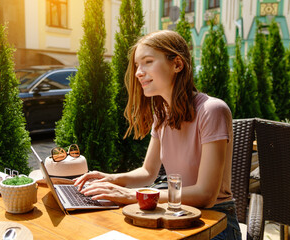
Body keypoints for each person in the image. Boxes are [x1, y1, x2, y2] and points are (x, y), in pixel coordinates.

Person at [74, 30, 241, 239]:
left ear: (177, 65)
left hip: (215, 222)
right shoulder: (162, 115)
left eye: (148, 62)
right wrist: (111, 178)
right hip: (175, 214)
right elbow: (148, 172)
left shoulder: (212, 110)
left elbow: (205, 195)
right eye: (137, 65)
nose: (138, 72)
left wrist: (131, 195)